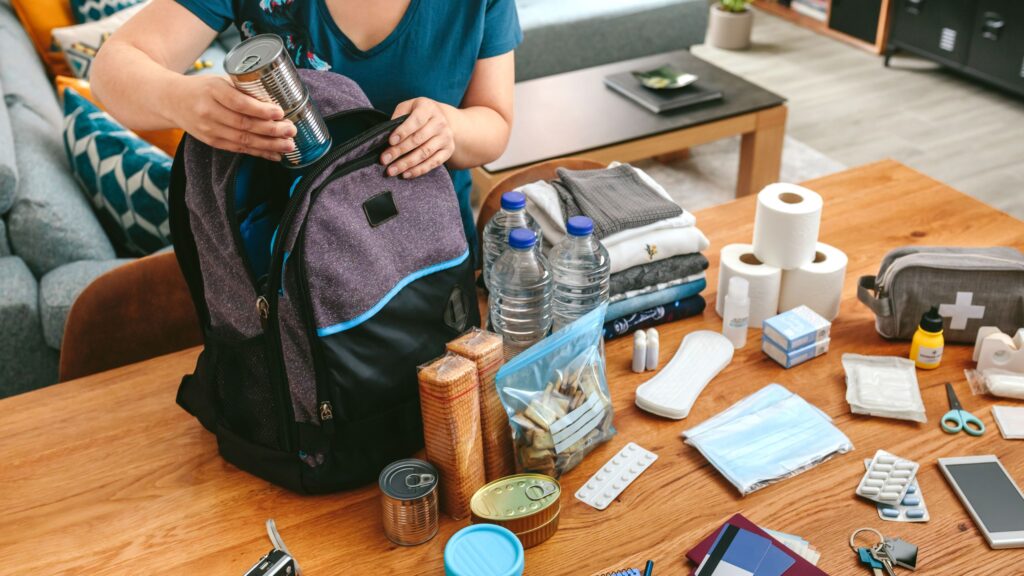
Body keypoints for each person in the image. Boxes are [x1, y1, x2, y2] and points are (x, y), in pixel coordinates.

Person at [90, 0, 521, 258]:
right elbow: (112, 68)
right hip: (286, 274)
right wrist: (182, 100)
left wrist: (451, 127)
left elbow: (494, 122)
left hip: (430, 261)